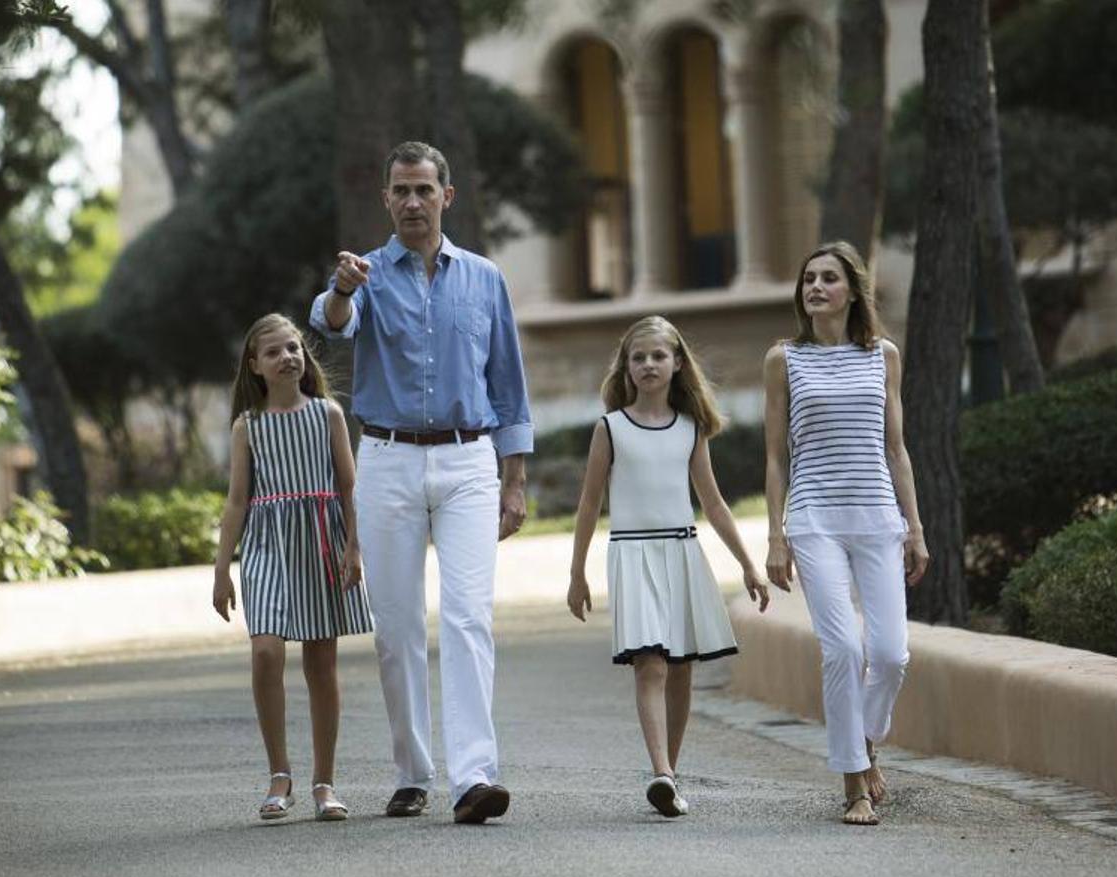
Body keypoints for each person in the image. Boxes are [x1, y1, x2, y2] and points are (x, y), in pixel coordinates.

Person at [309, 141, 532, 825]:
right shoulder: (365, 276)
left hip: (469, 462)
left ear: (446, 196)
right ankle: (411, 773)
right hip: (387, 460)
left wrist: (513, 478)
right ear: (385, 199)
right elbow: (329, 323)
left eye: (423, 190)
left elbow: (507, 382)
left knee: (468, 618)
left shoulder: (484, 278)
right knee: (398, 625)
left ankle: (473, 777)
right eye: (400, 191)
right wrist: (343, 288)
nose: (411, 202)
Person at [567, 315, 770, 817]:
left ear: (678, 363)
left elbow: (715, 503)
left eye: (658, 356)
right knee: (650, 663)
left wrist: (748, 564)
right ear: (627, 368)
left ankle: (669, 777)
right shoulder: (610, 429)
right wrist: (577, 573)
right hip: (632, 554)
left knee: (681, 667)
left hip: (681, 551)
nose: (649, 364)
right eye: (638, 357)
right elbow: (589, 504)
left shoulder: (690, 427)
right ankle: (659, 769)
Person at [762, 241, 930, 826]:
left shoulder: (883, 355)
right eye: (808, 279)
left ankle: (866, 738)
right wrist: (775, 536)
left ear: (852, 291)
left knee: (889, 655)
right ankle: (853, 782)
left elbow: (896, 448)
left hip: (879, 516)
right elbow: (777, 457)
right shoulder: (783, 359)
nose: (815, 288)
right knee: (842, 649)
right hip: (813, 520)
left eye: (828, 279)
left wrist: (916, 527)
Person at [212, 313, 372, 822]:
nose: (288, 357)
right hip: (267, 546)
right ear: (255, 366)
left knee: (321, 665)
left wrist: (355, 547)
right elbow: (237, 502)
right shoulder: (248, 427)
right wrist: (221, 570)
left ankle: (324, 781)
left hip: (322, 542)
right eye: (275, 352)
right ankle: (279, 774)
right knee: (265, 653)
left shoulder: (327, 414)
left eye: (295, 348)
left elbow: (349, 487)